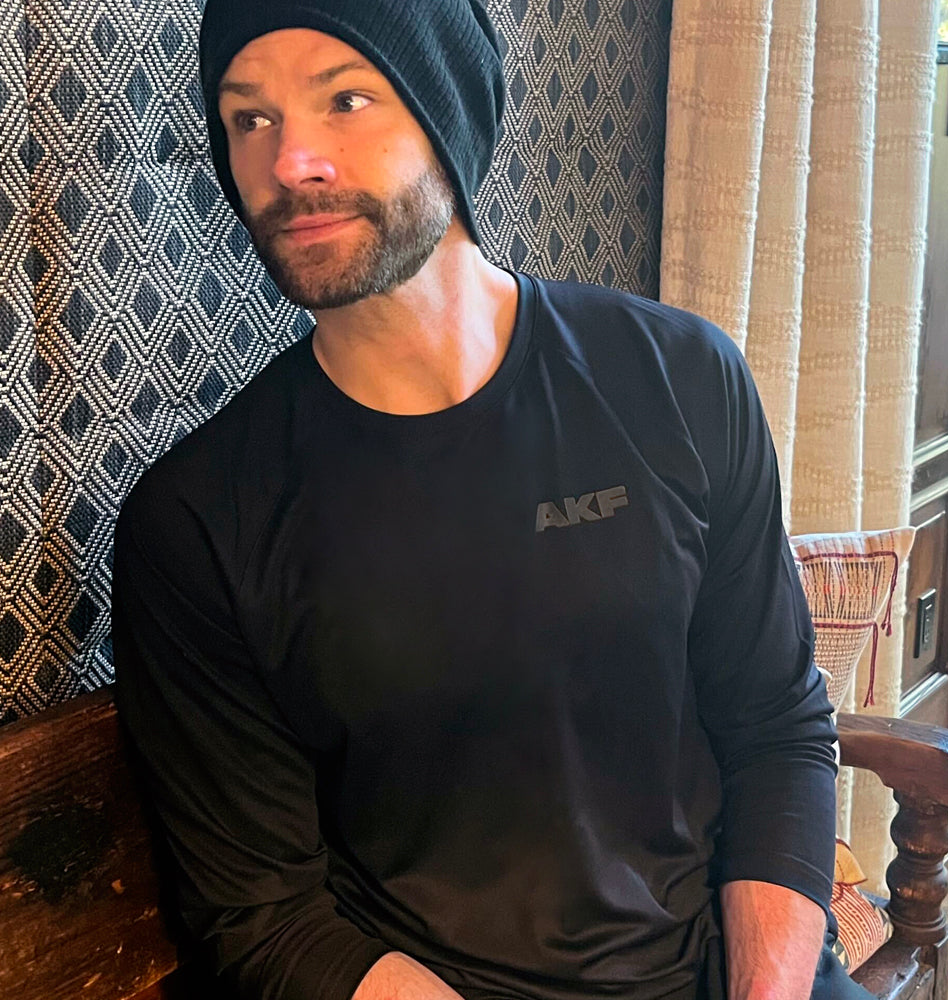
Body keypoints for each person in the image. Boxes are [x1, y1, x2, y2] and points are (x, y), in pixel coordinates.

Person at [112, 2, 869, 998]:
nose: (290, 161)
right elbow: (263, 916)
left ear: (448, 112)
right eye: (249, 117)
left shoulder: (679, 378)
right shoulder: (199, 518)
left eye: (345, 98)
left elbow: (775, 726)